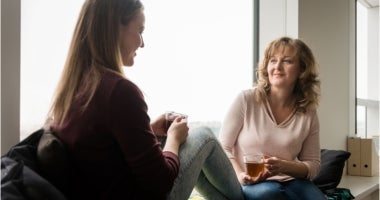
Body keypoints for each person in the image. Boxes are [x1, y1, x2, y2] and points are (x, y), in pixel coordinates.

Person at [46, 0, 244, 199]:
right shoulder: (119, 91)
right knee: (203, 136)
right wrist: (174, 138)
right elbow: (160, 181)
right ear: (115, 29)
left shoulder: (73, 89)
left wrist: (148, 129)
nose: (142, 43)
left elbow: (105, 148)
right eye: (140, 31)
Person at [219, 36, 327, 200]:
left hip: (293, 180)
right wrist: (240, 175)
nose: (277, 66)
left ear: (302, 70)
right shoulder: (246, 99)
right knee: (270, 194)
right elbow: (223, 148)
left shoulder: (308, 111)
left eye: (287, 61)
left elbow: (313, 164)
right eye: (272, 60)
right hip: (253, 182)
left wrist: (286, 166)